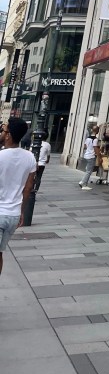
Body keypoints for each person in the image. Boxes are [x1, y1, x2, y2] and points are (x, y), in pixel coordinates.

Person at [0, 117, 37, 277]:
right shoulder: (30, 157)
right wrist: (22, 212)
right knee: (0, 253)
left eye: (4, 131)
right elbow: (28, 188)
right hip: (13, 215)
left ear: (8, 135)